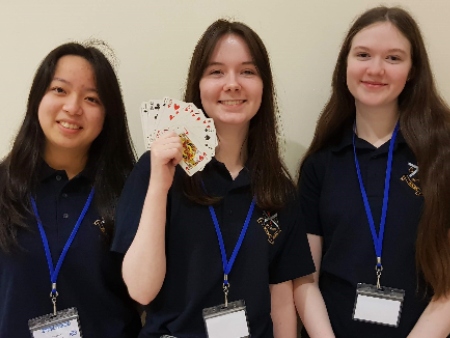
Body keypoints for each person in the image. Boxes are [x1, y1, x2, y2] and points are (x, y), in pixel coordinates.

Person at [112, 19, 314, 338]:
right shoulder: (158, 168)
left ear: (264, 86)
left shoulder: (278, 188)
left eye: (247, 71)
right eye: (216, 71)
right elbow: (140, 291)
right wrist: (158, 186)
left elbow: (281, 299)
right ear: (198, 85)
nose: (232, 84)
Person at [294, 6, 450, 338]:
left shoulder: (441, 155)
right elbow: (305, 280)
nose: (376, 69)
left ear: (412, 70)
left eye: (393, 58)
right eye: (363, 54)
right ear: (345, 65)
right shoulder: (319, 164)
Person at [0, 41, 141, 337]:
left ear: (107, 114)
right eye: (60, 90)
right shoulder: (4, 185)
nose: (73, 107)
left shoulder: (130, 191)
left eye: (92, 98)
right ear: (37, 97)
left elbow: (146, 296)